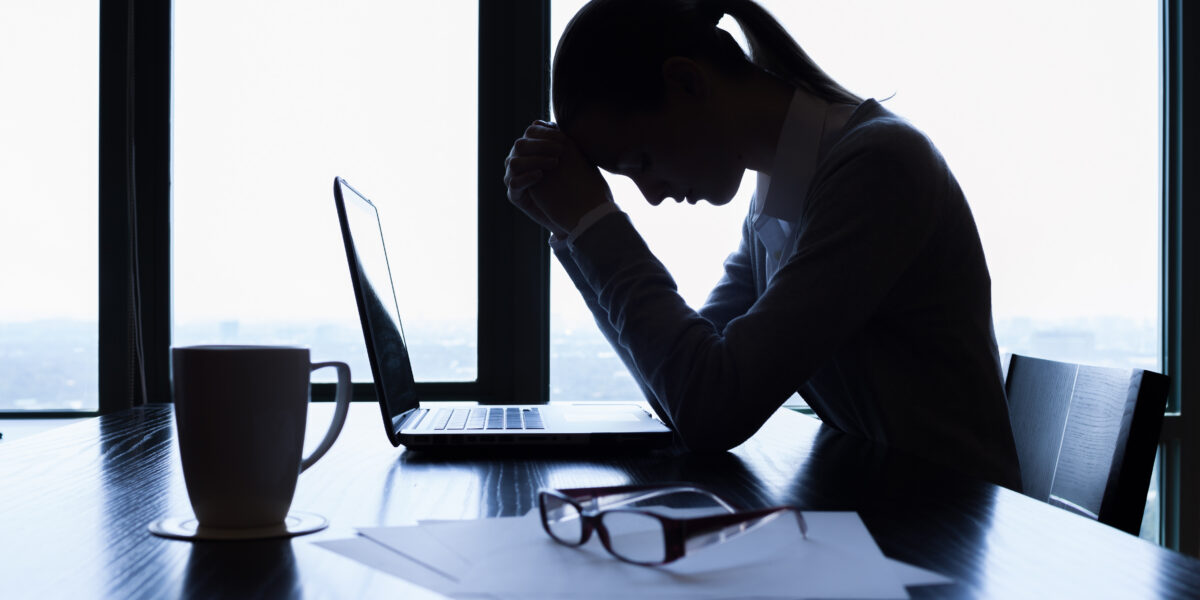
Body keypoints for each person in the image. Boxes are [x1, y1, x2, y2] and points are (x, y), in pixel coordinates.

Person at [504, 0, 1022, 491]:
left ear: (686, 82)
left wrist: (595, 227)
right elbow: (681, 391)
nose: (653, 196)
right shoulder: (779, 198)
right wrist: (573, 232)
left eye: (640, 161)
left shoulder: (877, 167)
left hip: (956, 536)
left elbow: (710, 409)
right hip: (893, 513)